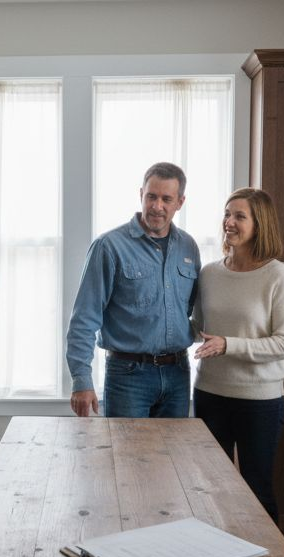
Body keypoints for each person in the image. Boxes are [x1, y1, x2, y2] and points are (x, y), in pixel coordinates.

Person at [192, 187, 284, 521]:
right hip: (210, 394)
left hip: (259, 401)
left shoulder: (277, 276)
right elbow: (197, 326)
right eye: (227, 214)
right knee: (211, 488)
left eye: (240, 216)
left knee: (257, 490)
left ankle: (266, 556)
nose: (229, 222)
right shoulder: (210, 273)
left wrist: (229, 344)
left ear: (259, 224)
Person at [65, 162, 200, 418]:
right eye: (151, 196)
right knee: (126, 446)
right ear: (141, 194)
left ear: (180, 202)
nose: (157, 206)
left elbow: (190, 310)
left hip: (178, 374)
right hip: (128, 376)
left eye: (166, 199)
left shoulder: (188, 247)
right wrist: (81, 380)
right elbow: (84, 317)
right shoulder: (109, 246)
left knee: (176, 446)